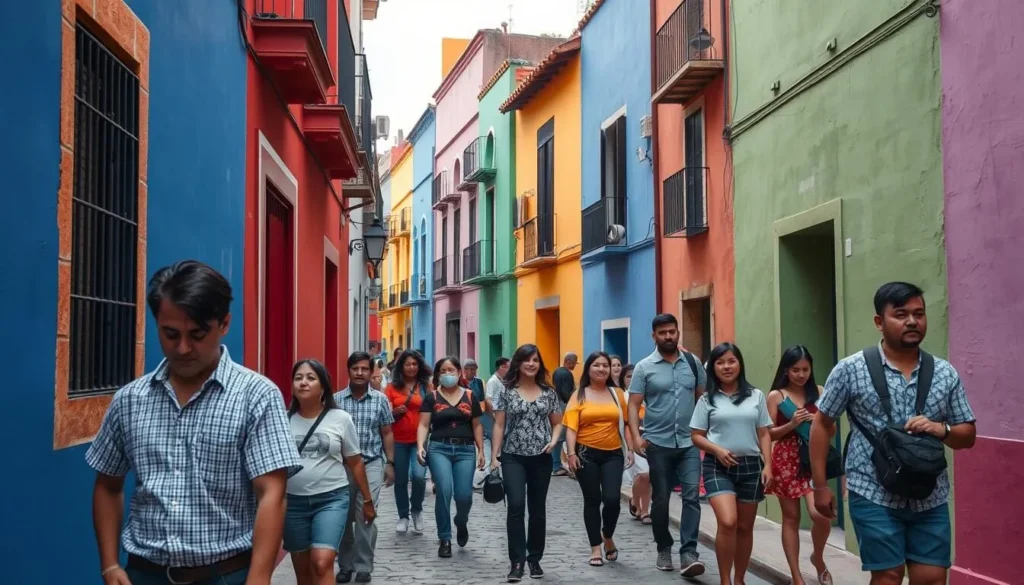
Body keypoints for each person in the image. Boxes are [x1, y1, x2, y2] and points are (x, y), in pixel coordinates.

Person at [86, 260, 300, 585]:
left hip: (227, 574)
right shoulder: (130, 400)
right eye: (170, 334)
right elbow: (107, 484)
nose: (183, 348)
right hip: (144, 573)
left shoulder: (255, 396)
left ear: (224, 324)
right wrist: (110, 564)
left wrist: (259, 576)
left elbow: (272, 491)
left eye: (197, 334)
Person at [810, 282, 977, 585]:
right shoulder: (851, 369)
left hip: (930, 494)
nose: (912, 321)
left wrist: (942, 429)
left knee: (932, 577)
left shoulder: (945, 373)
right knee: (888, 575)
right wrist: (820, 486)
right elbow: (822, 423)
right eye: (901, 314)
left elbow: (967, 434)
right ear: (879, 322)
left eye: (919, 314)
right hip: (872, 490)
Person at [628, 313, 706, 576]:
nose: (669, 336)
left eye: (672, 331)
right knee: (660, 500)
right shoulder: (644, 367)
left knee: (692, 497)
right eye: (663, 333)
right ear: (654, 336)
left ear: (678, 332)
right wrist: (636, 437)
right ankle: (664, 546)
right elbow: (633, 404)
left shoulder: (693, 364)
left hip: (689, 443)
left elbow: (702, 400)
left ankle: (688, 552)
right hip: (657, 444)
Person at [285, 359, 375, 585]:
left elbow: (355, 462)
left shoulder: (340, 419)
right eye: (298, 378)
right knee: (303, 572)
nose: (303, 383)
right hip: (293, 503)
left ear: (323, 386)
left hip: (331, 498)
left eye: (310, 378)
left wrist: (367, 499)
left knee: (322, 561)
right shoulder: (282, 421)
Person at [691, 343, 774, 585]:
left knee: (745, 527)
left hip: (750, 466)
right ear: (713, 368)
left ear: (739, 364)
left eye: (731, 361)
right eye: (720, 362)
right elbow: (696, 435)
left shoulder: (755, 396)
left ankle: (739, 579)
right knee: (728, 521)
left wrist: (768, 464)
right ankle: (725, 580)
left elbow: (764, 433)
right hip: (718, 467)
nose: (726, 367)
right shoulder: (707, 399)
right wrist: (716, 450)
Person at [490, 344, 563, 582]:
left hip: (541, 457)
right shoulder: (507, 391)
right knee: (516, 506)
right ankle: (517, 561)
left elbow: (557, 422)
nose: (531, 364)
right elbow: (499, 424)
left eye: (535, 360)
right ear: (518, 364)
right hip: (513, 456)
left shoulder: (548, 392)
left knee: (538, 509)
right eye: (526, 360)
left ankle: (534, 559)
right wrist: (494, 457)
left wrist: (553, 442)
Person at [765, 346, 833, 585]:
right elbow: (768, 435)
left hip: (813, 458)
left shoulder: (821, 392)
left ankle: (819, 558)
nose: (801, 374)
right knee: (791, 517)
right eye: (796, 370)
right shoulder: (776, 396)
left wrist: (818, 422)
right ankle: (796, 576)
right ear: (786, 369)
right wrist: (792, 423)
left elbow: (832, 431)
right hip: (785, 459)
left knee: (821, 515)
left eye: (805, 369)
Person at [563, 351, 635, 567]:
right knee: (592, 500)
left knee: (612, 500)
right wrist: (572, 453)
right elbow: (571, 428)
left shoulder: (617, 394)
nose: (602, 369)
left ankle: (607, 535)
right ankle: (596, 546)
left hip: (613, 453)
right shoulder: (579, 395)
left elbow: (627, 424)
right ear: (588, 369)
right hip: (586, 454)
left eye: (605, 365)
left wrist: (630, 448)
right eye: (597, 365)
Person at [334, 353, 396, 584]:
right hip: (341, 467)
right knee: (343, 517)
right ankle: (345, 565)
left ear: (371, 373)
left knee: (365, 516)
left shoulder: (380, 400)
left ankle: (363, 567)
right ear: (348, 371)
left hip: (370, 463)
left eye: (364, 369)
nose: (359, 373)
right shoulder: (335, 400)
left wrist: (390, 463)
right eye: (355, 369)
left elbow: (387, 432)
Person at [416, 357, 486, 559]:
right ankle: (445, 538)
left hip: (465, 450)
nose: (448, 374)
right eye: (443, 371)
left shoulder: (471, 396)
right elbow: (423, 424)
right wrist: (421, 445)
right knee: (444, 491)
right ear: (438, 375)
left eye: (452, 370)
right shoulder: (432, 397)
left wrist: (481, 450)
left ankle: (461, 521)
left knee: (464, 496)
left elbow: (477, 425)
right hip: (439, 448)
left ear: (459, 372)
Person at [384, 349, 431, 535]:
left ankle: (416, 510)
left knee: (419, 476)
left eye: (415, 364)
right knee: (401, 479)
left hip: (419, 440)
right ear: (401, 366)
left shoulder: (426, 386)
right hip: (398, 440)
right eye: (408, 364)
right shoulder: (391, 388)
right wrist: (393, 413)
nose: (411, 367)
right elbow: (384, 415)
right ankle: (403, 515)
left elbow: (433, 408)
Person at [619, 364, 652, 524]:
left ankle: (643, 508)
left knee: (649, 476)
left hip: (650, 439)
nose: (632, 379)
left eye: (634, 376)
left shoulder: (647, 396)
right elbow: (625, 424)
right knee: (643, 474)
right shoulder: (623, 398)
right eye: (628, 376)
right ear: (623, 379)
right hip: (632, 439)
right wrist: (630, 447)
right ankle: (638, 504)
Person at [464, 359, 491, 489]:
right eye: (469, 369)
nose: (472, 371)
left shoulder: (479, 382)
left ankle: (480, 471)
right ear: (464, 370)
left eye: (474, 369)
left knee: (482, 440)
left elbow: (481, 398)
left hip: (478, 415)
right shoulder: (460, 382)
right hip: (464, 416)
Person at [550, 352, 578, 476]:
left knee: (558, 436)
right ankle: (556, 466)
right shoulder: (566, 374)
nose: (574, 366)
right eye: (574, 363)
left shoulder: (556, 371)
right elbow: (567, 393)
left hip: (557, 404)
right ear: (568, 361)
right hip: (564, 406)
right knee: (561, 437)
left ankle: (556, 464)